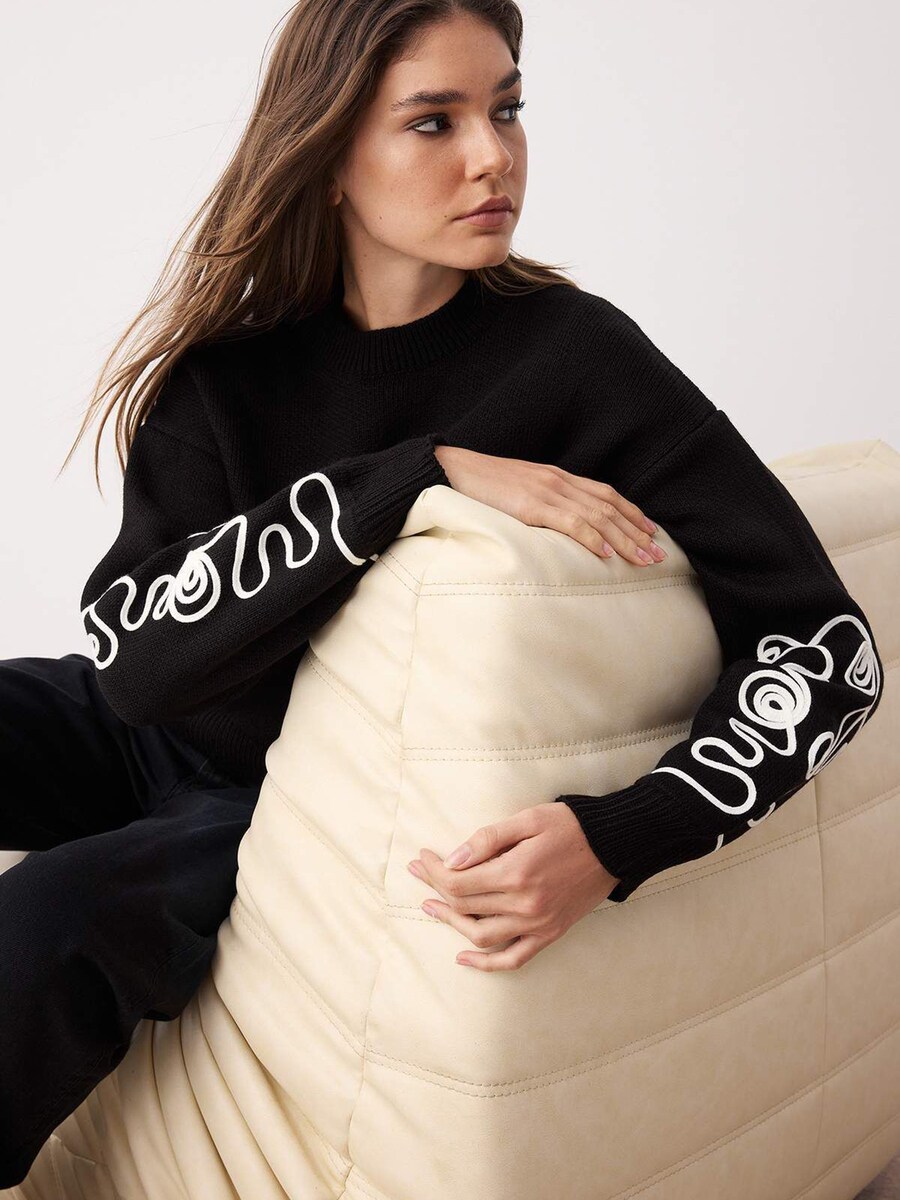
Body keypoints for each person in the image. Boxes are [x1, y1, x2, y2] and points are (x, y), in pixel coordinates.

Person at [0, 0, 884, 1187]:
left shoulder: (578, 360)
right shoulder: (227, 376)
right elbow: (134, 662)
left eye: (507, 109)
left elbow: (829, 649)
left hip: (283, 801)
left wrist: (619, 836)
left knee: (52, 917)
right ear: (328, 156)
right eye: (436, 121)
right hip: (149, 730)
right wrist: (413, 478)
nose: (492, 157)